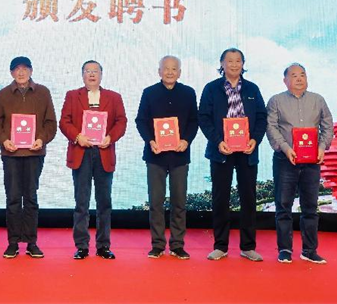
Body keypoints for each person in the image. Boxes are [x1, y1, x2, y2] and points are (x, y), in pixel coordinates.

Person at [198, 48, 267, 262]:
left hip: (247, 151)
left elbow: (262, 117)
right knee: (221, 198)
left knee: (248, 198)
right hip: (221, 151)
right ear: (222, 64)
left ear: (243, 64)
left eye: (238, 61)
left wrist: (255, 140)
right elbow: (204, 118)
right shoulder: (211, 88)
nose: (234, 64)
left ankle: (248, 246)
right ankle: (220, 246)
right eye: (230, 61)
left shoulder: (252, 88)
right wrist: (218, 141)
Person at [0, 56, 57, 259]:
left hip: (34, 153)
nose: (21, 72)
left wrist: (41, 139)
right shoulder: (3, 94)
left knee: (30, 198)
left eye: (25, 68)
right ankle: (12, 243)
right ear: (11, 72)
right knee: (12, 198)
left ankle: (31, 242)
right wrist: (4, 141)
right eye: (17, 69)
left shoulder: (43, 92)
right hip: (10, 154)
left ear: (31, 71)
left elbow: (50, 123)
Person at [266, 63, 333, 264]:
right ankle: (285, 249)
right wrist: (286, 148)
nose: (299, 79)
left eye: (302, 75)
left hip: (312, 161)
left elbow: (327, 125)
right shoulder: (276, 101)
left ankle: (309, 250)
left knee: (310, 207)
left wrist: (322, 147)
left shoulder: (318, 100)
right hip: (285, 159)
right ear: (285, 80)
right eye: (294, 75)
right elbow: (271, 127)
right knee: (283, 206)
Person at [59, 60, 127, 260]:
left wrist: (110, 137)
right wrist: (77, 136)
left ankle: (103, 246)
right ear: (82, 75)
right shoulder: (72, 95)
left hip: (104, 152)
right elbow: (64, 121)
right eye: (87, 71)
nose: (91, 74)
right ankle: (81, 246)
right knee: (81, 202)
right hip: (81, 152)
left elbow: (121, 121)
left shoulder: (114, 97)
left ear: (101, 75)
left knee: (104, 202)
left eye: (95, 71)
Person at [135, 55, 199, 260]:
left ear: (179, 72)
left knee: (179, 202)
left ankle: (177, 245)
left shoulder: (188, 93)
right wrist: (150, 141)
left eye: (174, 69)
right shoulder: (149, 92)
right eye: (166, 68)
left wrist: (186, 140)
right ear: (159, 71)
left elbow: (194, 121)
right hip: (156, 156)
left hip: (180, 155)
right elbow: (141, 120)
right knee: (156, 202)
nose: (170, 72)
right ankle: (157, 245)